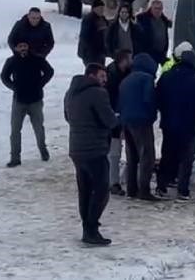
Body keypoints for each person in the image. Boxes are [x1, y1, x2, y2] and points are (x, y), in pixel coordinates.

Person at [64, 63, 120, 246]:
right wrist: (118, 119)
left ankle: (87, 229)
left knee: (85, 190)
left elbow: (67, 116)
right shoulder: (98, 93)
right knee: (102, 190)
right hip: (94, 148)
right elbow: (109, 120)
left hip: (77, 148)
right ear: (92, 75)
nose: (105, 80)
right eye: (102, 76)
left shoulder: (71, 92)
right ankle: (92, 229)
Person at [155, 50, 195, 200]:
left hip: (168, 124)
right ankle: (182, 190)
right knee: (186, 158)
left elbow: (157, 97)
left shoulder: (166, 77)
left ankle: (161, 186)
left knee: (167, 154)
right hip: (188, 127)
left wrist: (166, 114)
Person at [0, 41, 55, 167]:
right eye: (20, 47)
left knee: (39, 128)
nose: (23, 49)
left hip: (35, 100)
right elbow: (4, 76)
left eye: (25, 46)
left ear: (28, 47)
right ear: (16, 48)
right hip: (19, 100)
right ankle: (15, 158)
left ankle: (43, 151)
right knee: (15, 131)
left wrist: (40, 84)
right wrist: (14, 87)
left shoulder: (37, 59)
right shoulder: (11, 61)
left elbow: (49, 71)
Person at [118, 53, 160, 201]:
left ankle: (131, 189)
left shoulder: (125, 80)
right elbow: (150, 99)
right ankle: (144, 190)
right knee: (146, 156)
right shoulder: (146, 79)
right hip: (142, 121)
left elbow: (120, 103)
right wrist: (152, 116)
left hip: (126, 122)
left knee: (132, 156)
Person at [105, 49, 133, 196]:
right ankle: (113, 182)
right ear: (123, 61)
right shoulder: (112, 77)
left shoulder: (114, 73)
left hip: (118, 116)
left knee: (114, 150)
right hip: (114, 118)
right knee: (114, 151)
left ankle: (112, 180)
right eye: (129, 58)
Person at [136, 0, 172, 66]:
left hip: (161, 53)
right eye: (156, 8)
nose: (157, 11)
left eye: (159, 9)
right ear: (151, 8)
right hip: (148, 53)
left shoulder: (163, 20)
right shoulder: (143, 19)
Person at [77, 0, 109, 66]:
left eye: (103, 8)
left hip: (101, 52)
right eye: (100, 8)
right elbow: (84, 37)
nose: (102, 10)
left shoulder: (103, 19)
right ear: (94, 8)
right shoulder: (89, 19)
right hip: (90, 53)